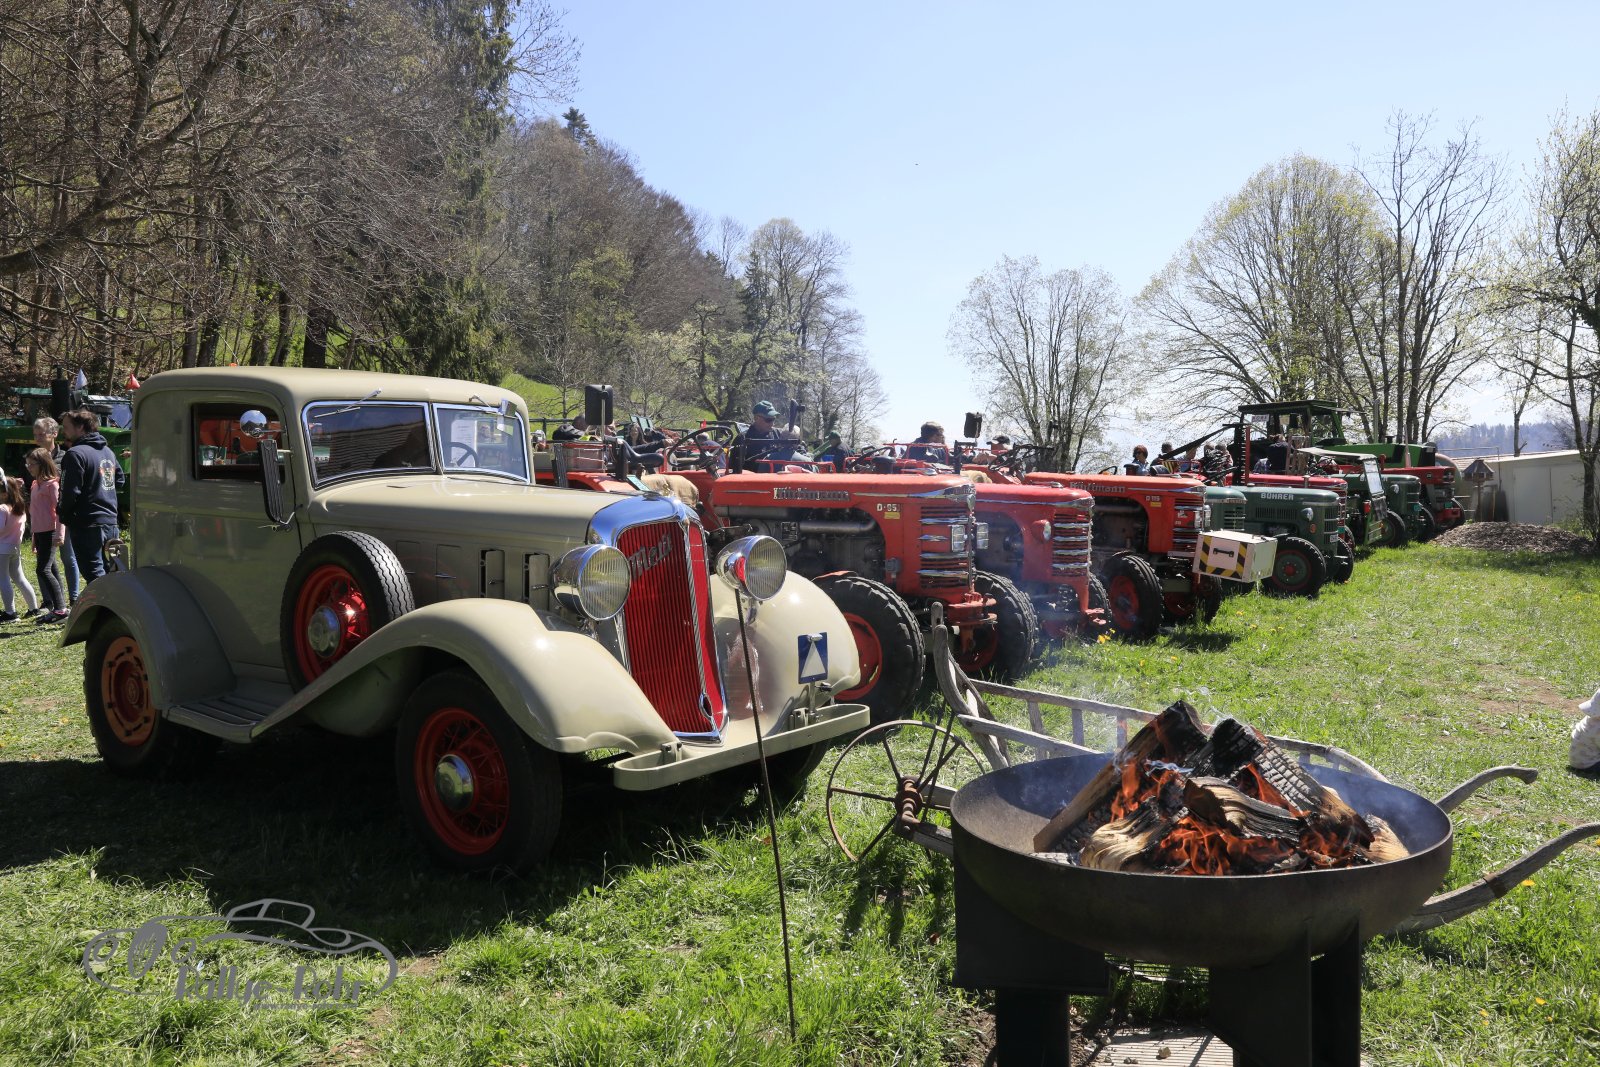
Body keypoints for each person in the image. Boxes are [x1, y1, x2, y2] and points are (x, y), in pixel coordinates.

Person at [58, 408, 123, 584]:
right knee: (114, 571)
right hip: (111, 521)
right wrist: (101, 492)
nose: (63, 431)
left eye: (66, 427)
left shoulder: (75, 454)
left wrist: (63, 513)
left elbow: (69, 491)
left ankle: (104, 602)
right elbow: (120, 480)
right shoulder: (108, 452)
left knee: (95, 575)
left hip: (86, 523)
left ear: (80, 427)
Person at [31, 416, 77, 603]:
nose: (37, 438)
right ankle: (50, 601)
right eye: (35, 435)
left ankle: (74, 597)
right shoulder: (33, 458)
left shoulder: (66, 457)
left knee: (68, 557)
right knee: (45, 563)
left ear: (54, 434)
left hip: (62, 515)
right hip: (43, 520)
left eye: (41, 434)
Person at [24, 449, 69, 622]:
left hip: (51, 532)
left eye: (32, 464)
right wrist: (34, 537)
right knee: (52, 568)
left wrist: (59, 534)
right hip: (40, 533)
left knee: (43, 570)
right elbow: (36, 514)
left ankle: (60, 610)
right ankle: (59, 607)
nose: (29, 467)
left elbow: (60, 512)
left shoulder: (52, 485)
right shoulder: (35, 484)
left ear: (43, 464)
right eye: (27, 464)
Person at [0, 475, 40, 622]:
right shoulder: (20, 507)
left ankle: (10, 613)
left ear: (5, 493)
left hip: (2, 549)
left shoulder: (2, 509)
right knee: (19, 578)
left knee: (3, 579)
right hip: (15, 547)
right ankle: (33, 608)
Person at [730, 400, 781, 471]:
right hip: (750, 477)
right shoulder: (742, 438)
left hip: (773, 476)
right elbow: (733, 467)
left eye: (773, 419)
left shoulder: (777, 434)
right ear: (756, 418)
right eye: (769, 420)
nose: (772, 423)